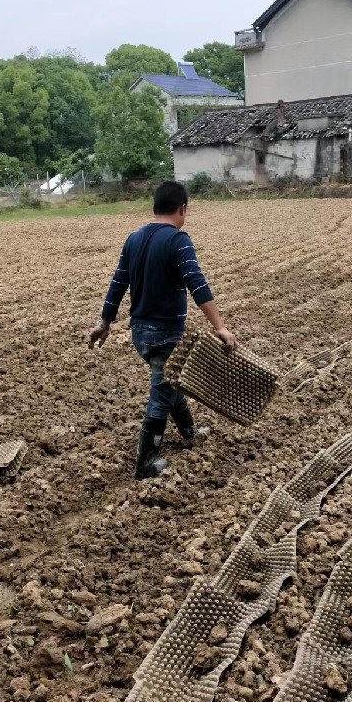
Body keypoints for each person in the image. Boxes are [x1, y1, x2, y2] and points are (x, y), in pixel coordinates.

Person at [86, 181, 237, 480]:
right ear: (182, 209)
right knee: (162, 392)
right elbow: (197, 284)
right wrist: (220, 326)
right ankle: (145, 463)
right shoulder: (178, 240)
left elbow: (118, 284)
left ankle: (189, 431)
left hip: (140, 332)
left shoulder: (134, 239)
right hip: (166, 332)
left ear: (154, 207)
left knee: (171, 380)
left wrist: (104, 323)